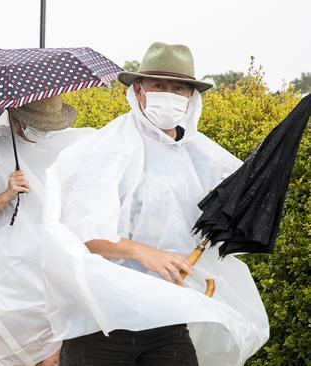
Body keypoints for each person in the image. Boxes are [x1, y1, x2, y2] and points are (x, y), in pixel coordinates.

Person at [42, 42, 268, 366]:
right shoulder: (101, 150)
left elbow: (231, 209)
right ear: (138, 89)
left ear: (192, 97)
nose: (169, 94)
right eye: (159, 85)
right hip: (104, 318)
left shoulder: (203, 157)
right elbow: (82, 234)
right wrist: (143, 252)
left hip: (167, 315)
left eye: (179, 88)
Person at [0, 96, 94, 365]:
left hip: (61, 268)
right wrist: (5, 195)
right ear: (16, 118)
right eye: (38, 123)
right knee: (20, 354)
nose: (45, 129)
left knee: (56, 356)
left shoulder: (74, 146)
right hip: (10, 277)